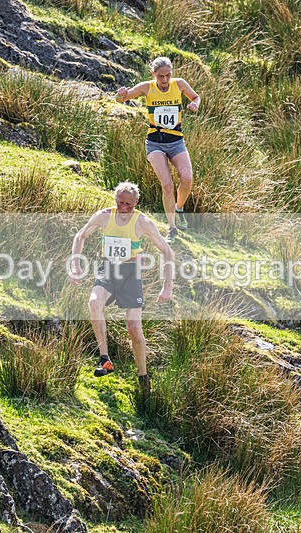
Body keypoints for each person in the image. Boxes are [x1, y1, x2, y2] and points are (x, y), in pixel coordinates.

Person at [69, 182, 174, 392]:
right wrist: (75, 263)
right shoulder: (104, 216)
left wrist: (167, 287)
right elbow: (80, 236)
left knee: (134, 328)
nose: (124, 207)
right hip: (108, 268)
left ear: (136, 202)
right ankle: (105, 360)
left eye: (129, 204)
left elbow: (167, 252)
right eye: (120, 202)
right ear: (115, 200)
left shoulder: (142, 222)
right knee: (94, 302)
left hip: (131, 273)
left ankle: (143, 377)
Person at [115, 56, 201, 243]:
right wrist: (120, 93)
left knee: (187, 179)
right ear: (153, 74)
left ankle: (179, 208)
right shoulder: (147, 87)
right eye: (160, 76)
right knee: (167, 184)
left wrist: (195, 103)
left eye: (168, 75)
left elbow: (196, 96)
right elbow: (121, 98)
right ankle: (171, 228)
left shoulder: (179, 84)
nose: (164, 80)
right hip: (155, 142)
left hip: (176, 141)